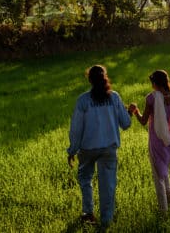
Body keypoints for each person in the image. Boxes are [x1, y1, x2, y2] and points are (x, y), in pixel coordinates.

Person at [67, 65, 131, 227]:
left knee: (85, 178)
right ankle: (106, 220)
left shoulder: (83, 100)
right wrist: (129, 112)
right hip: (109, 148)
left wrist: (72, 150)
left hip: (87, 149)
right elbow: (126, 123)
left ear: (90, 80)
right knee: (108, 184)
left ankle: (88, 213)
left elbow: (76, 129)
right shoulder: (114, 97)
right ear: (105, 78)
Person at [129, 70, 170, 215]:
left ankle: (163, 211)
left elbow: (143, 121)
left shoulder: (152, 98)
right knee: (165, 173)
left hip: (157, 141)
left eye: (152, 83)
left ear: (155, 83)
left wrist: (135, 110)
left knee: (159, 177)